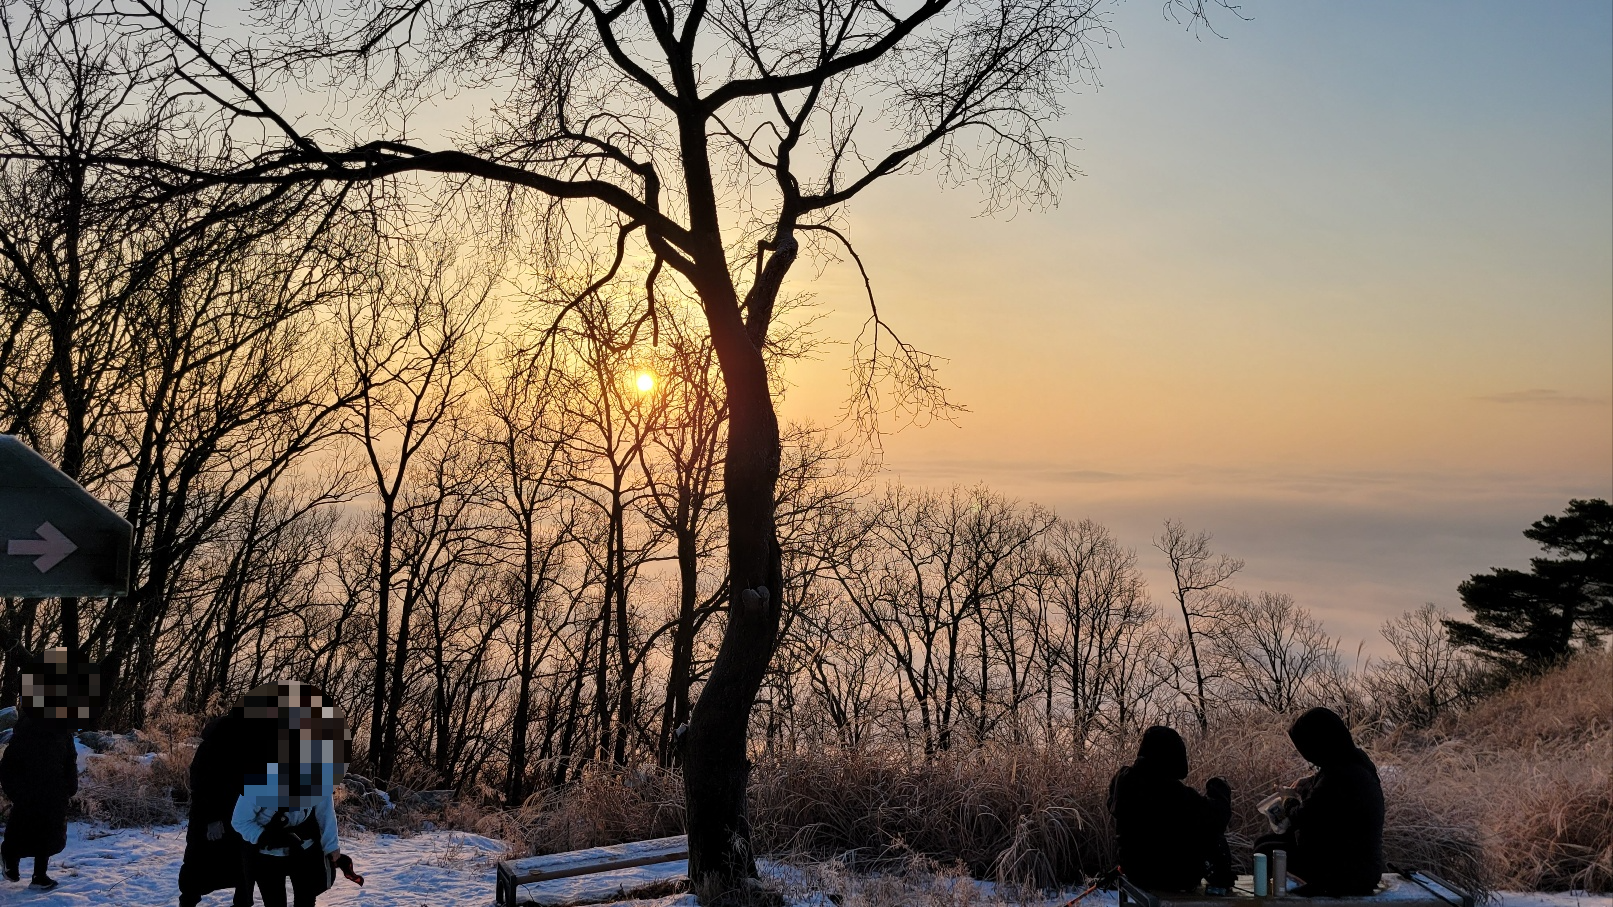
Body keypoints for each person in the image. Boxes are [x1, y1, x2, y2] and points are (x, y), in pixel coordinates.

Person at [232, 681, 348, 907]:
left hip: (303, 849)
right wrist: (264, 836)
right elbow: (239, 820)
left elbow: (325, 814)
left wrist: (331, 847)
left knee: (306, 901)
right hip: (268, 853)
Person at [1258, 707, 1385, 897]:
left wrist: (1287, 800)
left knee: (1267, 850)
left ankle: (1275, 899)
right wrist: (1308, 783)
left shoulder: (1339, 777)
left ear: (1319, 744)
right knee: (1266, 843)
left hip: (1347, 871)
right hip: (1357, 864)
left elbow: (1301, 817)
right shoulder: (1354, 762)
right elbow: (1324, 791)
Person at [1108, 725, 1235, 893]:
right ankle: (1220, 882)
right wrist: (1219, 791)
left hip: (1135, 872)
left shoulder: (1123, 781)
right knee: (1212, 835)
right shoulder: (1168, 792)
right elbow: (1215, 817)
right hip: (1170, 876)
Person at [179, 708, 276, 907]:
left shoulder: (255, 743)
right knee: (199, 865)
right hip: (211, 816)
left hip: (243, 815)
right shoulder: (215, 743)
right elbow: (201, 784)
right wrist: (212, 819)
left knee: (244, 868)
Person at [0, 709, 77, 890]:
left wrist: (70, 786)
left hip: (55, 791)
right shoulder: (27, 729)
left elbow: (70, 759)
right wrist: (16, 791)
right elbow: (8, 764)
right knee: (23, 829)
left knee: (50, 833)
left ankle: (39, 876)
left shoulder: (63, 730)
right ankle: (10, 858)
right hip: (28, 791)